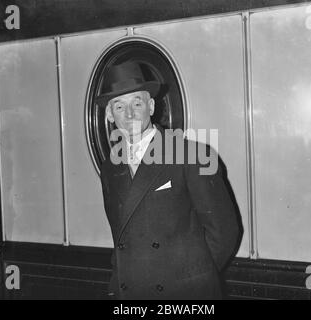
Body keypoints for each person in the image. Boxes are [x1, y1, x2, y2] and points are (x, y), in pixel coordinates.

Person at [97, 60, 242, 300]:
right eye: (119, 106)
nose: (130, 113)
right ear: (110, 115)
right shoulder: (110, 167)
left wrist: (194, 280)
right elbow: (120, 238)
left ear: (151, 106)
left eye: (137, 102)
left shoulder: (194, 155)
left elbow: (224, 232)